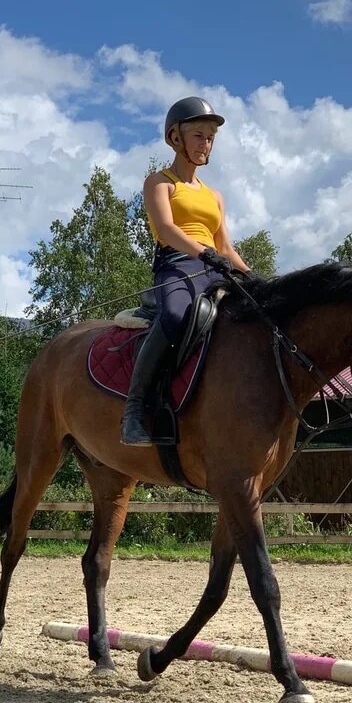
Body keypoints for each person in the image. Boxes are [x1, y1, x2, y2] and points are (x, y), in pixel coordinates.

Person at [120, 96, 252, 446]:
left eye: (210, 137)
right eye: (198, 135)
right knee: (177, 315)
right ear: (176, 139)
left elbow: (227, 248)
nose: (206, 143)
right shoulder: (159, 183)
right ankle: (133, 412)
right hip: (178, 265)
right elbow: (165, 230)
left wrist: (255, 279)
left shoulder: (215, 196)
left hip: (216, 268)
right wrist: (204, 253)